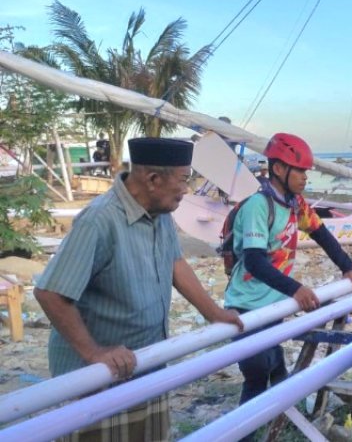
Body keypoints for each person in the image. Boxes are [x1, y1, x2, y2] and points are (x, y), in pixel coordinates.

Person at [34, 137, 243, 441]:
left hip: (146, 363)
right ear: (154, 179)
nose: (187, 189)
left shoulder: (161, 213)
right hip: (98, 378)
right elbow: (50, 292)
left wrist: (214, 313)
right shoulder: (100, 220)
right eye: (184, 179)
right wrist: (94, 353)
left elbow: (175, 264)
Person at [224, 133, 352, 415]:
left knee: (275, 369)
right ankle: (243, 433)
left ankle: (285, 422)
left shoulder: (295, 204)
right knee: (256, 376)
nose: (305, 177)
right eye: (299, 170)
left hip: (275, 306)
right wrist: (296, 289)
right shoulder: (258, 206)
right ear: (278, 169)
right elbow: (253, 261)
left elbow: (322, 234)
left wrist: (348, 267)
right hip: (246, 307)